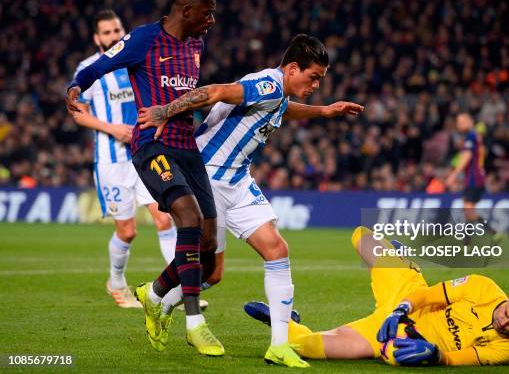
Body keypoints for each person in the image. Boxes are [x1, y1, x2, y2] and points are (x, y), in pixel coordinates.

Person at [136, 34, 363, 367]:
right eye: (313, 77)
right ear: (293, 68)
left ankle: (279, 345)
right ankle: (157, 296)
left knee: (276, 249)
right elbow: (212, 92)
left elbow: (286, 110)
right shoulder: (267, 85)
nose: (316, 84)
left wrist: (324, 111)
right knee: (211, 272)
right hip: (208, 176)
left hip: (238, 181)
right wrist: (164, 112)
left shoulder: (279, 94)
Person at [66, 0, 223, 356]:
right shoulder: (144, 39)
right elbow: (102, 64)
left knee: (207, 243)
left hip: (188, 148)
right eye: (207, 12)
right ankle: (194, 324)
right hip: (151, 145)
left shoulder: (197, 45)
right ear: (186, 10)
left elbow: (187, 97)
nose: (212, 20)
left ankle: (152, 295)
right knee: (185, 217)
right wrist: (75, 86)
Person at [244, 227, 509, 366]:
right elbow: (428, 295)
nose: (504, 323)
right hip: (406, 299)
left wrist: (435, 356)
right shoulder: (483, 287)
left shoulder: (507, 351)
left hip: (390, 338)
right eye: (506, 313)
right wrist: (400, 308)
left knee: (303, 346)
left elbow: (456, 359)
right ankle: (400, 258)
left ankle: (284, 320)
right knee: (362, 237)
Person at [71, 9, 176, 308]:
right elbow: (78, 111)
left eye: (117, 30)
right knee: (127, 231)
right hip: (111, 162)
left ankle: (176, 287)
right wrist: (112, 129)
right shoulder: (89, 68)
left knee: (165, 217)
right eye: (107, 33)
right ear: (97, 38)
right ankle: (116, 282)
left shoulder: (137, 61)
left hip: (144, 154)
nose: (114, 36)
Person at [445, 113, 499, 241]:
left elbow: (467, 156)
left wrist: (453, 175)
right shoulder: (475, 137)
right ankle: (467, 241)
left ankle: (492, 232)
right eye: (457, 122)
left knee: (469, 209)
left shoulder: (471, 136)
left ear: (469, 121)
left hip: (474, 178)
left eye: (461, 121)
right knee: (468, 209)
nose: (458, 125)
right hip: (475, 176)